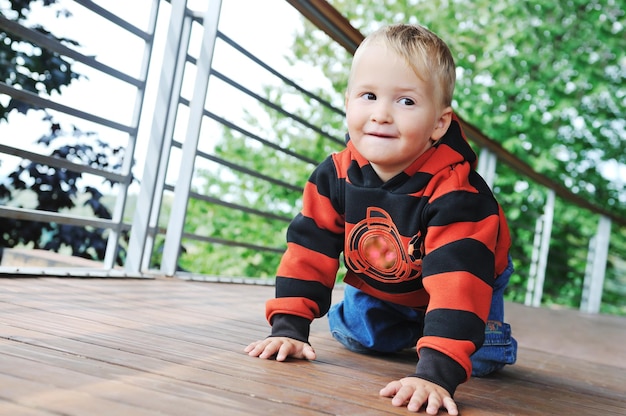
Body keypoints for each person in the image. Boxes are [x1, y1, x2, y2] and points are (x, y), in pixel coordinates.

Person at [245, 23, 517, 415]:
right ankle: (416, 327)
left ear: (439, 124)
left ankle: (453, 335)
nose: (382, 114)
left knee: (477, 359)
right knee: (355, 336)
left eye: (406, 102)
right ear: (348, 102)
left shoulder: (458, 194)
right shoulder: (334, 176)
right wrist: (289, 327)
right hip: (386, 273)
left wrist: (435, 374)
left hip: (467, 273)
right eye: (368, 96)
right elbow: (309, 247)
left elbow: (459, 282)